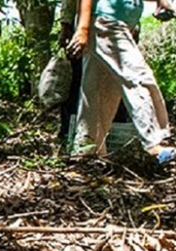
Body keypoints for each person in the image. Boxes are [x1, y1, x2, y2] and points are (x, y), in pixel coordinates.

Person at [67, 0, 176, 162]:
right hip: (105, 22)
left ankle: (86, 151)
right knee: (138, 77)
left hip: (115, 23)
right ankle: (155, 142)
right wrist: (83, 28)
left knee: (100, 89)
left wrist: (161, 3)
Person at [57, 0, 130, 148]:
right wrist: (68, 27)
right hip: (85, 28)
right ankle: (74, 139)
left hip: (119, 24)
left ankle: (113, 141)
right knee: (78, 86)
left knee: (115, 85)